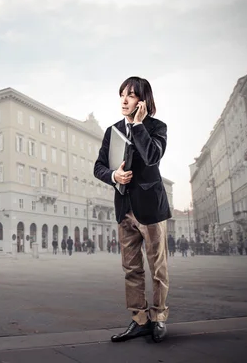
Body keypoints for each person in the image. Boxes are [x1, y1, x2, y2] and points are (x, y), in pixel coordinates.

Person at [93, 76, 172, 343]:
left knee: (157, 266)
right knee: (131, 268)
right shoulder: (112, 130)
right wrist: (114, 176)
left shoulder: (157, 127)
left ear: (143, 101)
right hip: (124, 207)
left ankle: (159, 317)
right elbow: (98, 167)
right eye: (122, 94)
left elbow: (152, 157)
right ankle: (139, 320)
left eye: (131, 95)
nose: (124, 100)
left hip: (150, 208)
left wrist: (138, 126)